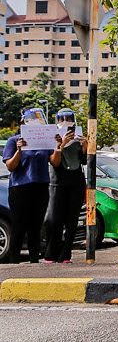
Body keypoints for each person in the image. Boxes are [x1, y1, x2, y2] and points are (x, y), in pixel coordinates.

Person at [2, 108, 53, 263]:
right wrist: (19, 150)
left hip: (41, 185)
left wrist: (58, 146)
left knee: (36, 225)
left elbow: (55, 161)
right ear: (23, 121)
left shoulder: (45, 140)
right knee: (19, 224)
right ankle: (15, 260)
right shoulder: (14, 140)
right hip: (20, 187)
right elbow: (10, 166)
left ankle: (34, 259)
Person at [45, 108, 87, 263]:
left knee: (72, 220)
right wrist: (62, 144)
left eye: (68, 118)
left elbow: (84, 161)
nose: (65, 121)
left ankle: (66, 255)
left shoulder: (77, 134)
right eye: (61, 119)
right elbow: (54, 162)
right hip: (57, 181)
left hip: (75, 180)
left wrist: (84, 146)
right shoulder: (53, 136)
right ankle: (50, 254)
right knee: (53, 219)